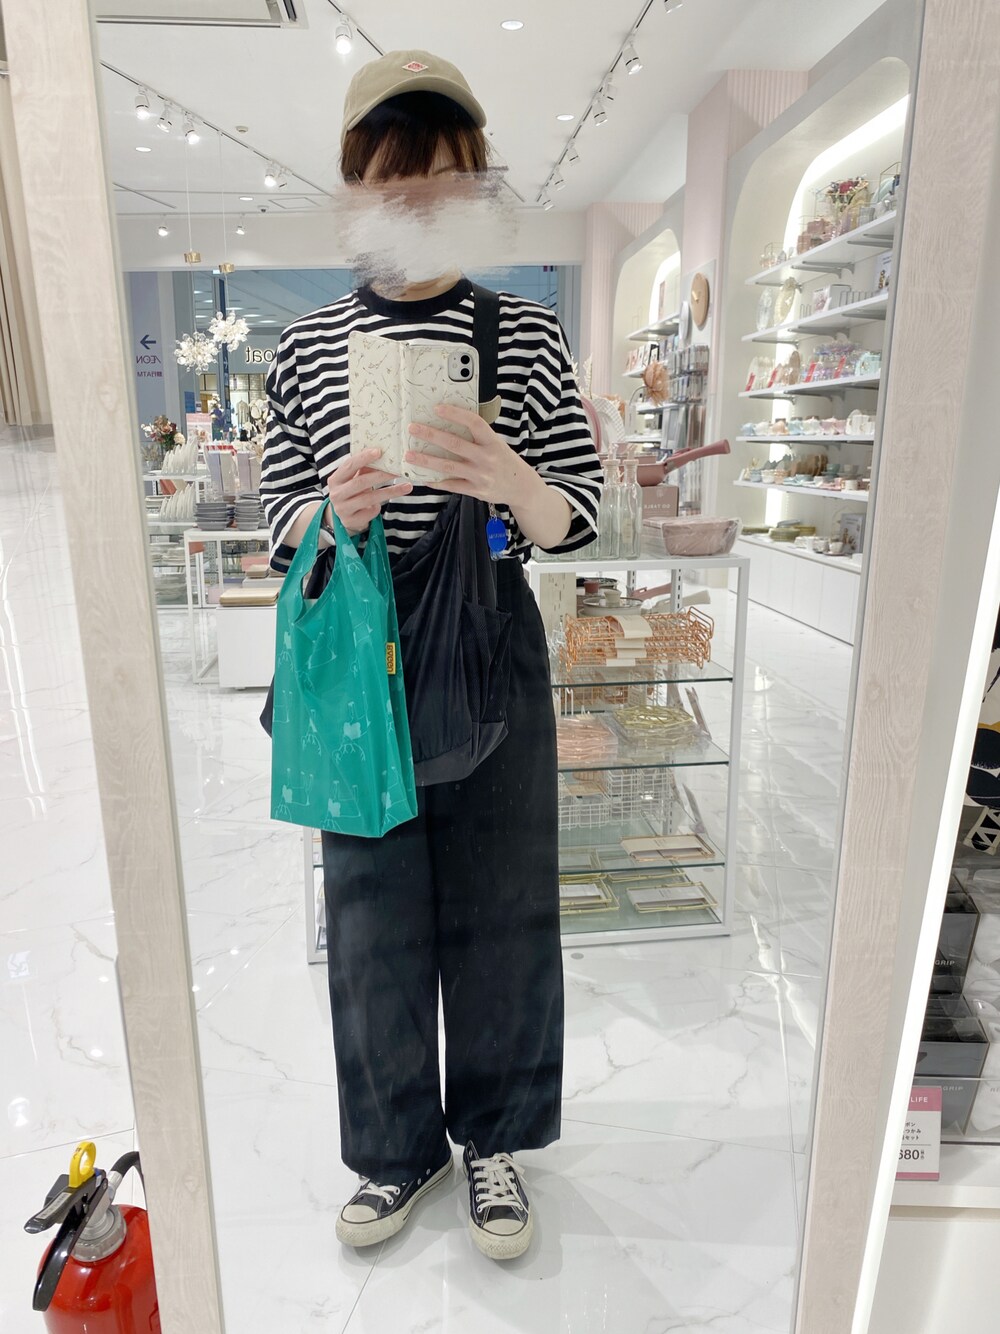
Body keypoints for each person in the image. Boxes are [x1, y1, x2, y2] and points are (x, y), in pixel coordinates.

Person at [259, 50, 601, 1262]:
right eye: (391, 179)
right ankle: (394, 1150)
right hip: (362, 654)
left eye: (442, 177)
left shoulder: (527, 335)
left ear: (477, 181)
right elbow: (275, 518)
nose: (416, 200)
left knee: (505, 905)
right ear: (355, 186)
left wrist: (514, 483)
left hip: (491, 639)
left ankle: (493, 1138)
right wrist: (331, 512)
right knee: (370, 916)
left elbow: (579, 514)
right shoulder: (306, 348)